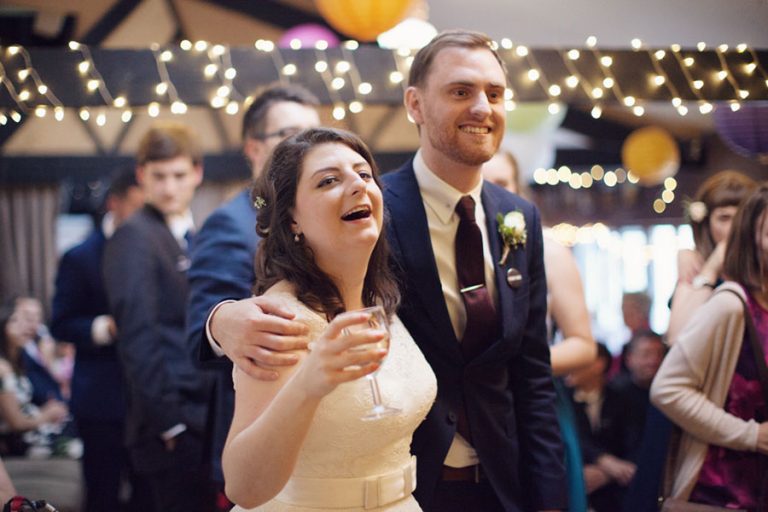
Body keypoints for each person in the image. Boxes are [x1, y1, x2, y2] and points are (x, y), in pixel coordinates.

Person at [211, 30, 567, 512]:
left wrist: (548, 498)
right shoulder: (371, 216)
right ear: (415, 104)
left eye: (495, 93)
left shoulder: (516, 216)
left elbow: (531, 372)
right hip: (410, 479)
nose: (482, 107)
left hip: (499, 481)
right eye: (461, 91)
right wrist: (221, 320)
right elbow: (266, 307)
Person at [223, 127, 436, 510]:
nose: (357, 185)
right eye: (329, 181)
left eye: (364, 174)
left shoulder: (381, 302)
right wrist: (310, 382)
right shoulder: (279, 320)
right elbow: (242, 486)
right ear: (291, 220)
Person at [186, 83, 320, 504]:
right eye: (289, 135)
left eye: (313, 137)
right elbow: (201, 325)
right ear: (253, 148)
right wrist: (223, 319)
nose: (304, 148)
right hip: (257, 427)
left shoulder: (322, 215)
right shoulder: (231, 222)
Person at [103, 122, 215, 512]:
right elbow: (138, 337)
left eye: (179, 175)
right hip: (170, 424)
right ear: (141, 176)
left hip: (205, 416)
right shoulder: (134, 236)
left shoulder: (193, 233)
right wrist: (170, 423)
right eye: (159, 176)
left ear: (197, 173)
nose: (169, 187)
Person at [483, 148, 595, 510]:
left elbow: (582, 345)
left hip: (533, 403)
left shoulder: (546, 250)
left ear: (518, 190)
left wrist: (516, 362)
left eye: (501, 184)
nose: (491, 193)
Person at [650, 183, 768, 510]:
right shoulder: (729, 299)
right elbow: (669, 380)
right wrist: (752, 435)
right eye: (723, 217)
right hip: (726, 487)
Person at [50, 167, 144, 512]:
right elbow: (60, 323)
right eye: (138, 206)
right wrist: (105, 328)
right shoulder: (80, 257)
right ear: (114, 204)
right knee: (102, 494)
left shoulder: (157, 248)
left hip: (149, 401)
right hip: (101, 399)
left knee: (149, 496)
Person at [667, 171, 757, 343]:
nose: (735, 228)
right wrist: (711, 267)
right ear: (706, 224)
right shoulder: (695, 267)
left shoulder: (761, 266)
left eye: (742, 217)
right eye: (724, 218)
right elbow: (676, 340)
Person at [0, 306, 70, 458]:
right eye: (14, 321)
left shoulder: (20, 360)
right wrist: (46, 414)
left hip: (39, 427)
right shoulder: (2, 368)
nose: (24, 327)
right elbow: (16, 423)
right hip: (23, 440)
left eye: (25, 321)